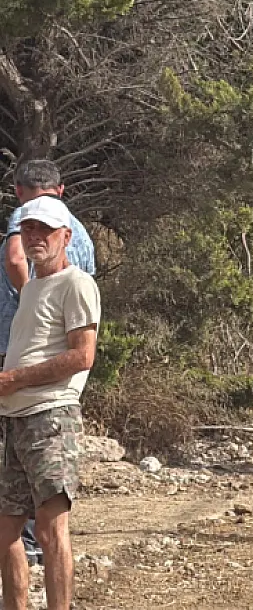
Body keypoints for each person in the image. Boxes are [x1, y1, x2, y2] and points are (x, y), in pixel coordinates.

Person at [0, 196, 100, 610]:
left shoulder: (77, 283)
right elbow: (27, 350)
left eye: (45, 229)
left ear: (66, 236)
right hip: (15, 418)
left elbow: (82, 355)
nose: (35, 236)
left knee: (50, 528)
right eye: (28, 229)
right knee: (6, 529)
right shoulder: (31, 289)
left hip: (52, 416)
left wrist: (12, 379)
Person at [3, 162, 96, 350]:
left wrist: (30, 298)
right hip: (61, 340)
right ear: (60, 190)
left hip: (17, 339)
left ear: (19, 190)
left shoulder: (25, 215)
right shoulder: (80, 231)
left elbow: (15, 258)